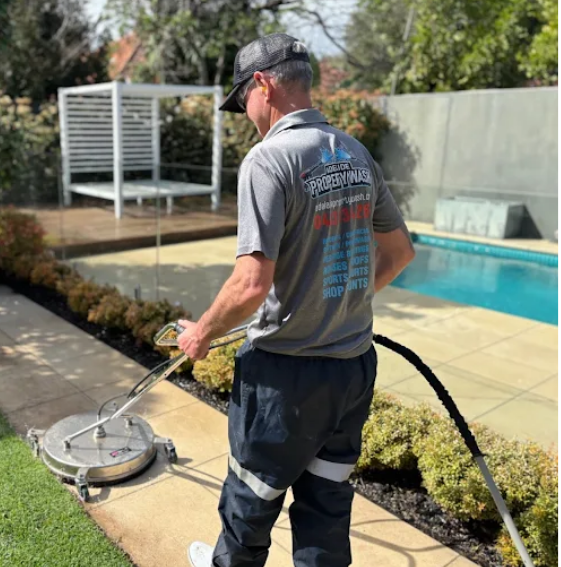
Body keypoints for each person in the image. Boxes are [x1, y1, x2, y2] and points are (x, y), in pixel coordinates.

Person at [177, 34, 417, 567]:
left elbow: (250, 285)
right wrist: (339, 304)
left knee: (251, 501)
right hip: (352, 369)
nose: (246, 114)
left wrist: (202, 333)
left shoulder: (268, 160)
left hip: (283, 379)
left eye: (244, 99)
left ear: (263, 85)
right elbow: (400, 253)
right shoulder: (356, 153)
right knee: (325, 506)